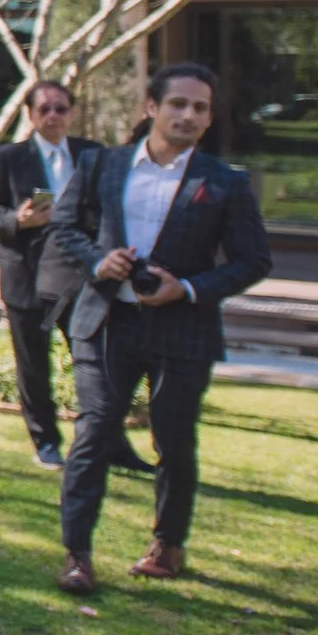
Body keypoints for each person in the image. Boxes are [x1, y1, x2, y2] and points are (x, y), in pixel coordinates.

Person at [47, 63, 271, 594]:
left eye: (200, 108)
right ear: (152, 107)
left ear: (210, 118)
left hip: (183, 328)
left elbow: (253, 260)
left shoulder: (225, 182)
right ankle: (77, 555)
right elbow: (64, 225)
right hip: (108, 321)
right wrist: (98, 260)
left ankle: (168, 546)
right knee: (94, 432)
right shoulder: (102, 164)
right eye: (178, 104)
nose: (188, 115)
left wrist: (187, 288)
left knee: (173, 440)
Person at [0, 81, 103, 467]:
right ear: (30, 115)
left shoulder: (92, 155)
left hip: (79, 279)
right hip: (27, 276)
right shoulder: (10, 157)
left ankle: (102, 439)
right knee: (33, 366)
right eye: (44, 109)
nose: (53, 116)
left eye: (61, 108)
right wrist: (19, 219)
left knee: (95, 362)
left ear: (72, 113)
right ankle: (45, 442)